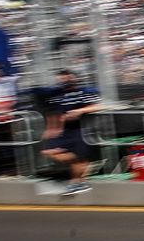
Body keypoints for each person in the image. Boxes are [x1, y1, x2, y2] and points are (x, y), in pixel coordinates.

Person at [39, 68, 103, 196]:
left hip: (81, 128)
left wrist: (80, 111)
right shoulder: (56, 94)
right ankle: (82, 172)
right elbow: (52, 112)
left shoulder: (84, 91)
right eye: (61, 78)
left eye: (67, 77)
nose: (64, 80)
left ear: (74, 78)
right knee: (48, 151)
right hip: (64, 130)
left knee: (79, 156)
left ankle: (77, 182)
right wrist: (50, 128)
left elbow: (98, 106)